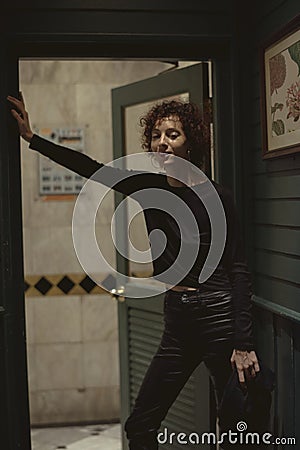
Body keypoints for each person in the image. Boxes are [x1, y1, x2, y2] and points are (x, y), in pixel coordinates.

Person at [7, 92, 260, 449]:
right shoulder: (147, 188)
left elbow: (238, 269)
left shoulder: (219, 196)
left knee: (236, 428)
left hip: (218, 315)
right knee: (140, 425)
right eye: (157, 135)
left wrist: (244, 342)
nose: (163, 143)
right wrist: (33, 139)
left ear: (192, 143)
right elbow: (91, 168)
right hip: (177, 323)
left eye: (173, 135)